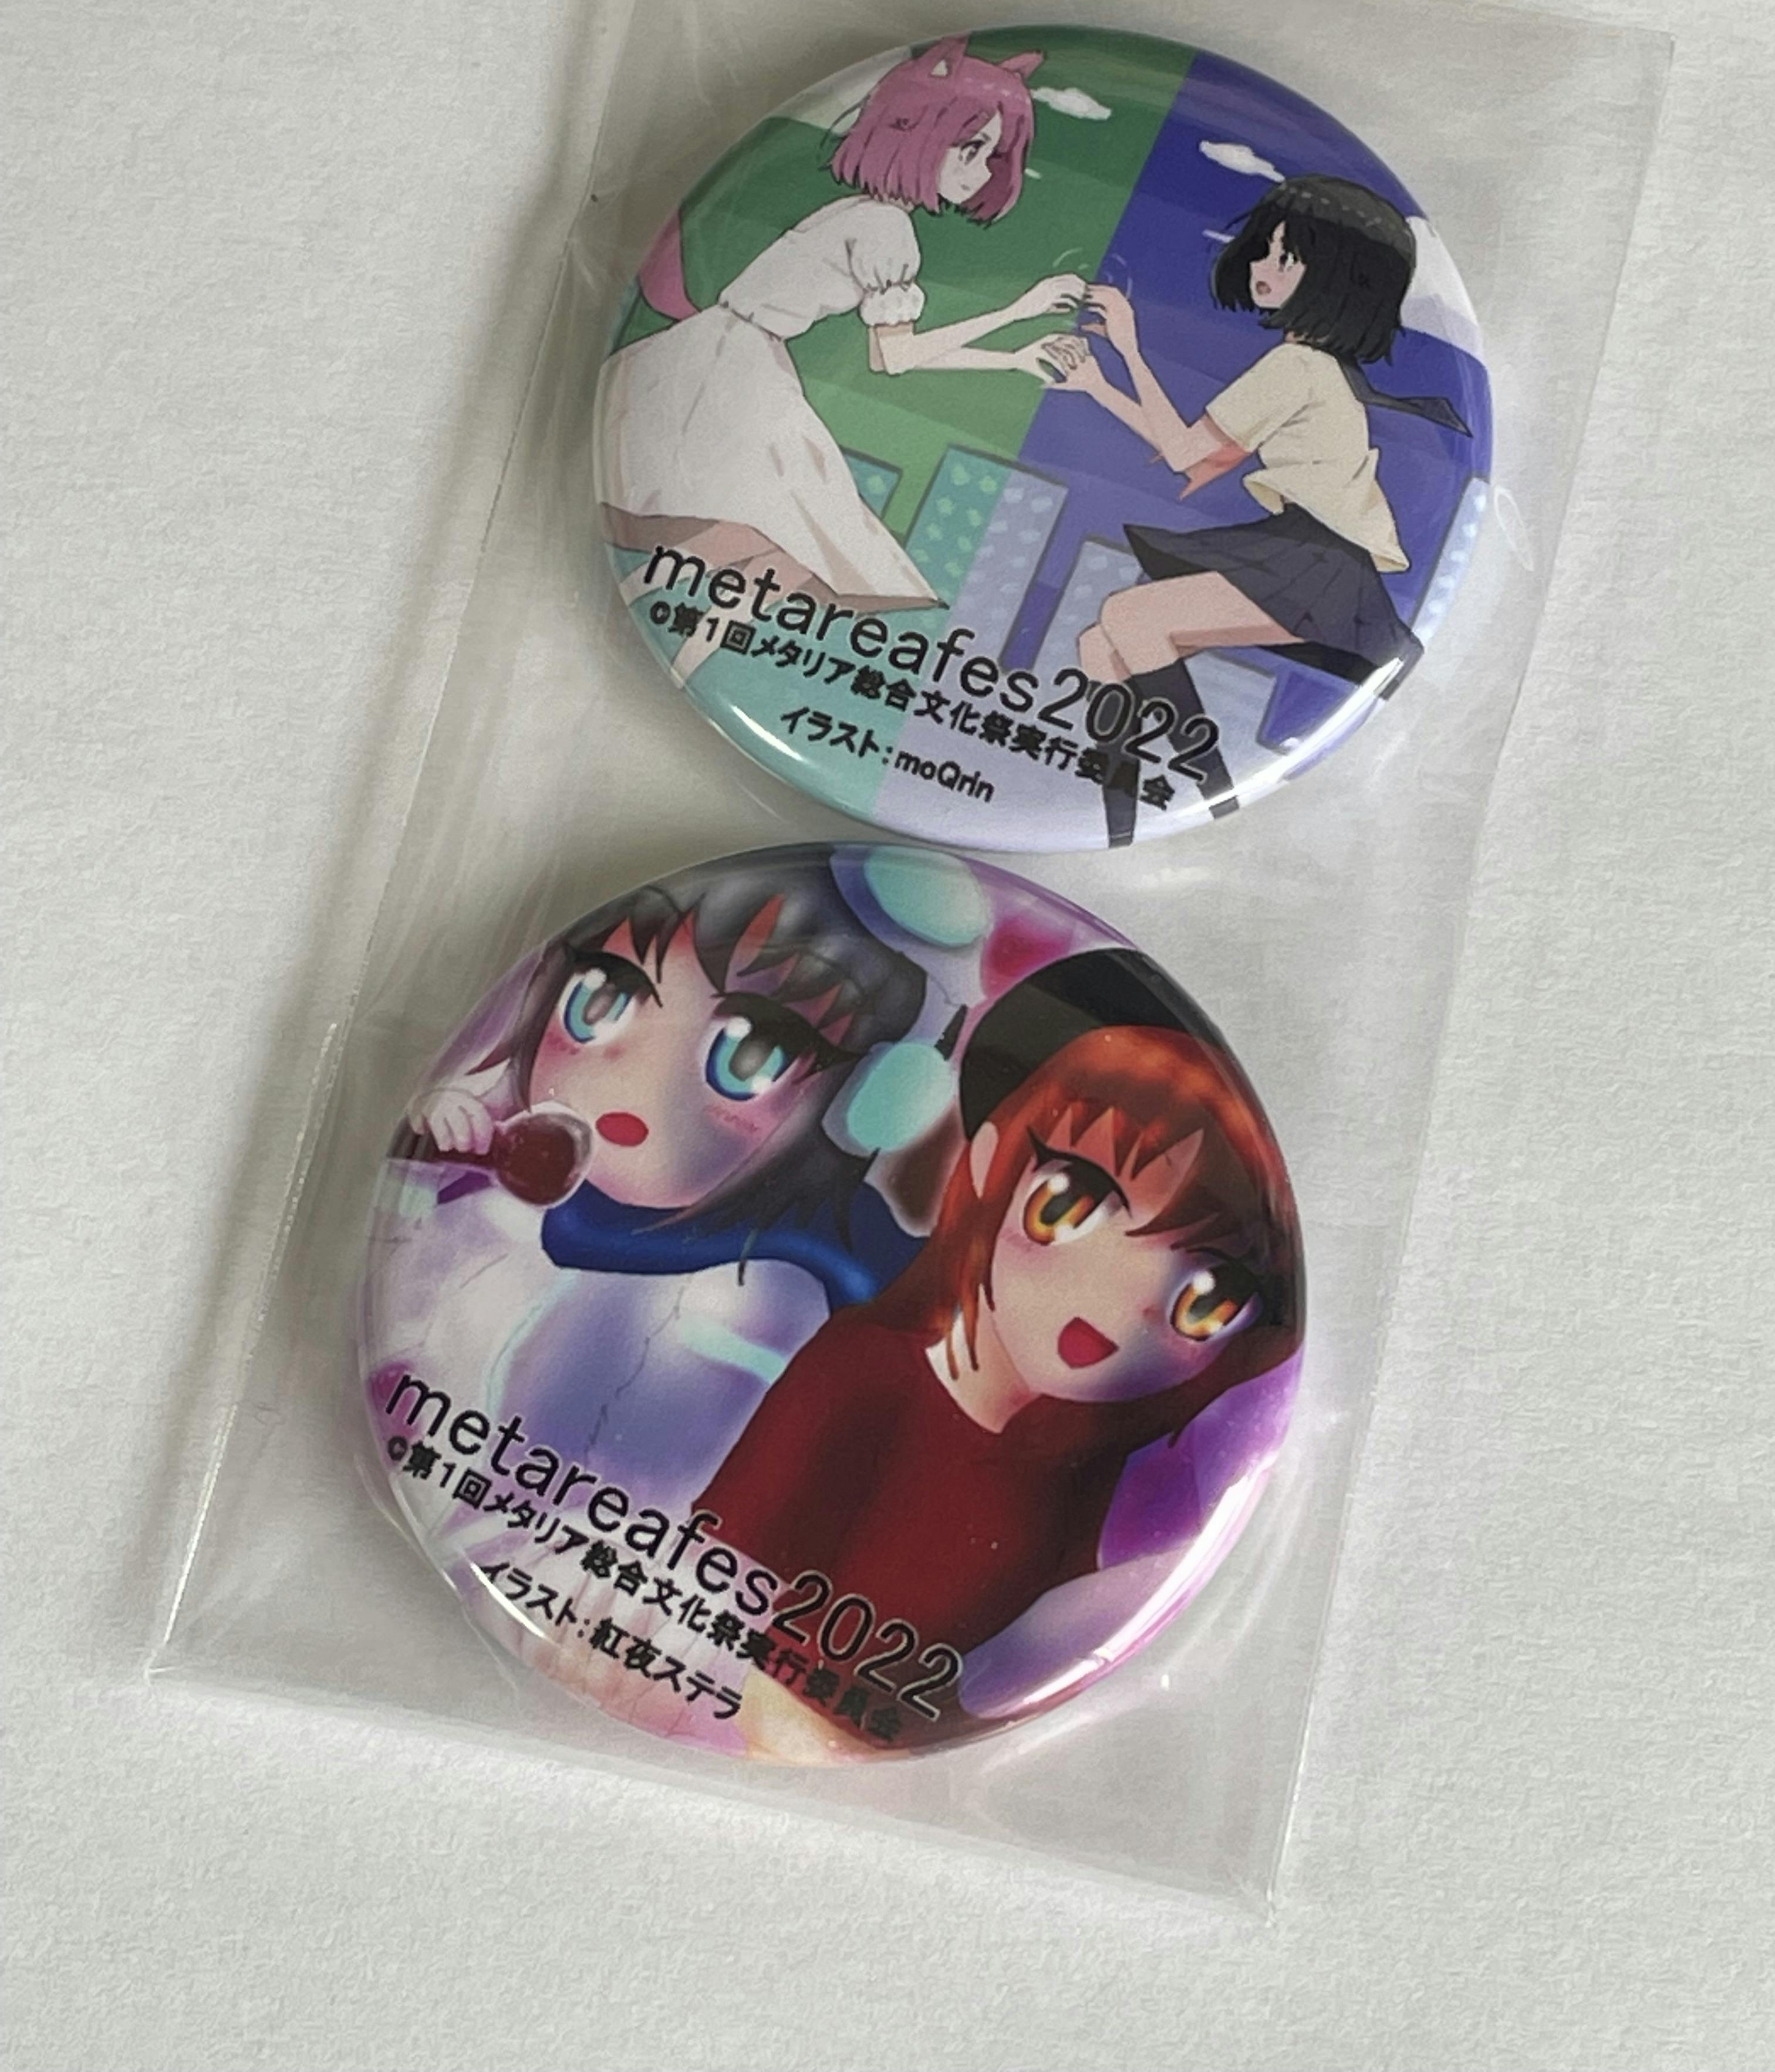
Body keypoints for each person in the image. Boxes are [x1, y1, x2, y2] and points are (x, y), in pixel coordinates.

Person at [694, 951, 1303, 1756]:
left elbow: (1026, 1666)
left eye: (1204, 1296)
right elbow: (714, 1571)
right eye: (1072, 1203)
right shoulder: (863, 1373)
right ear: (986, 1163)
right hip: (745, 1723)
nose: (1118, 1298)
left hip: (907, 1757)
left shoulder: (1088, 1468)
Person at [375, 854, 929, 1517]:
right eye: (599, 1001)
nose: (634, 1086)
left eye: (749, 1056)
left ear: (858, 1102)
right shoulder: (518, 1178)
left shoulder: (777, 1289)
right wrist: (440, 1148)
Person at [597, 38, 1085, 676]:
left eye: (991, 155)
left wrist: (1015, 357)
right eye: (970, 148)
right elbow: (898, 358)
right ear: (917, 129)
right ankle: (682, 656)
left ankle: (656, 627)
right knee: (800, 547)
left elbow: (892, 354)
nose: (980, 172)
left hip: (716, 352)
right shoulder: (887, 231)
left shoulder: (860, 214)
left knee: (760, 541)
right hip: (738, 371)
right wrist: (1017, 314)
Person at [1040, 174, 1469, 841]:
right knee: (1101, 646)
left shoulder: (1297, 368)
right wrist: (1098, 384)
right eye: (1265, 250)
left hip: (1319, 561)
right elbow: (1201, 459)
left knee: (1129, 616)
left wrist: (1127, 346)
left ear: (1338, 280)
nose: (1265, 268)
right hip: (1306, 555)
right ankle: (1119, 820)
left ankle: (1213, 793)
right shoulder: (1312, 367)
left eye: (1287, 258)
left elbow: (1186, 453)